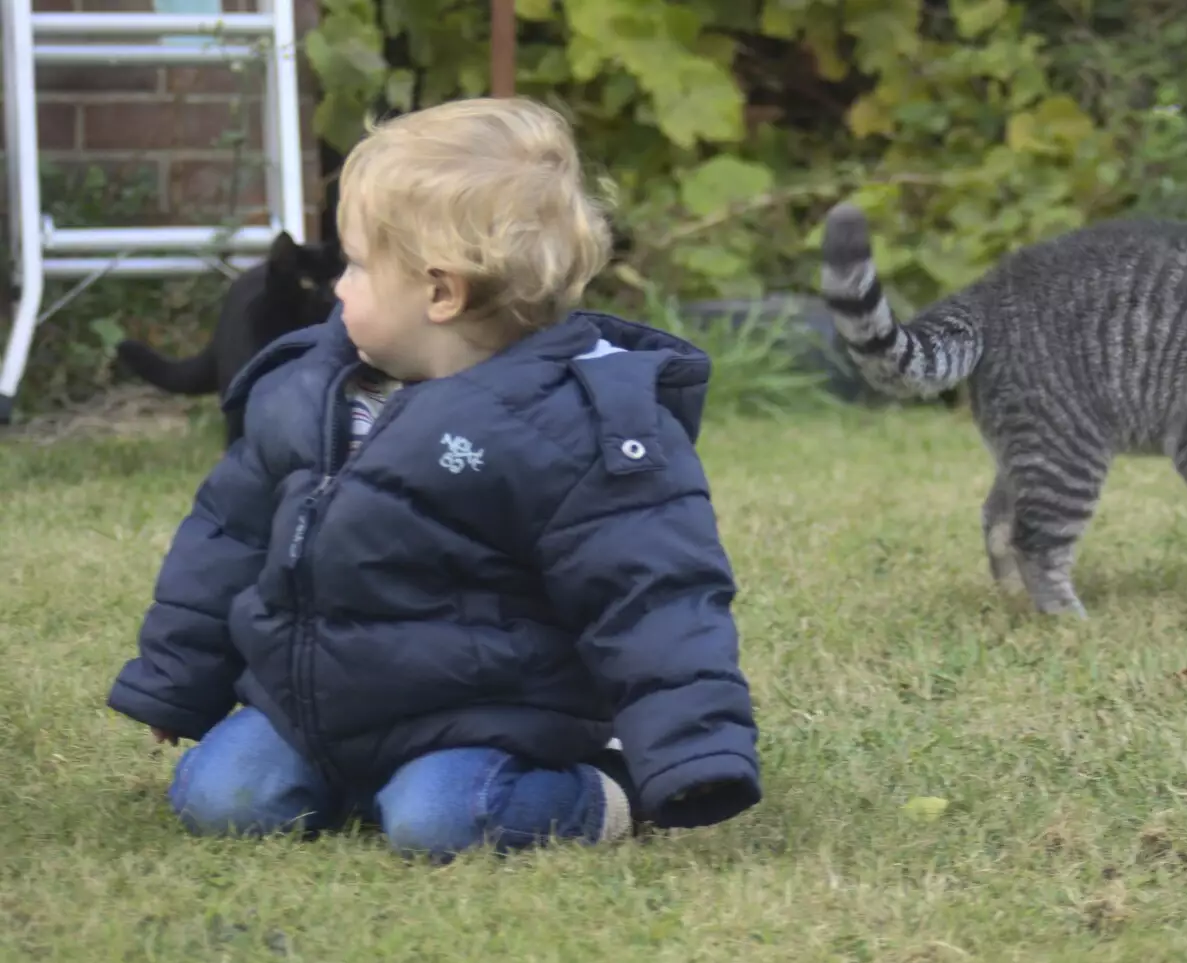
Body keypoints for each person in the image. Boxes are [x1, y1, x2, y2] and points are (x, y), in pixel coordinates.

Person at [105, 97, 761, 859]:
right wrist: (175, 680)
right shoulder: (309, 390)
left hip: (491, 717)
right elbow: (228, 536)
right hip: (314, 706)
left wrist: (692, 755)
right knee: (221, 800)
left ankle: (605, 794)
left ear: (441, 293)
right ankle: (355, 782)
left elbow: (654, 595)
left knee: (444, 820)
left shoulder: (578, 424)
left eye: (355, 265)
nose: (338, 288)